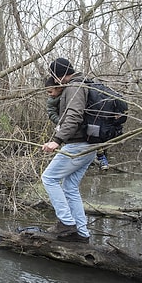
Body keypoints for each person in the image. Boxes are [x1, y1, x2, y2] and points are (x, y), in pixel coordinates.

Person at [41, 57, 96, 244]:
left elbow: (74, 115)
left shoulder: (75, 86)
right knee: (70, 187)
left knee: (49, 178)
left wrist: (57, 141)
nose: (54, 79)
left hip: (78, 145)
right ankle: (82, 234)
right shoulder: (82, 84)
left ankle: (66, 224)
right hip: (89, 145)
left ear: (59, 74)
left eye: (54, 75)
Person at [46, 77, 110, 170]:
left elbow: (74, 115)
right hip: (70, 130)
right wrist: (62, 123)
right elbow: (52, 114)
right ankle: (98, 158)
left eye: (50, 92)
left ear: (59, 88)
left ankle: (101, 158)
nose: (49, 95)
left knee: (49, 178)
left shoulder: (71, 91)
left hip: (80, 134)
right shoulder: (53, 100)